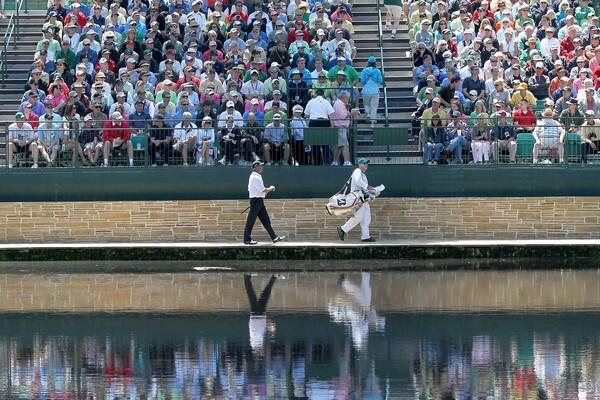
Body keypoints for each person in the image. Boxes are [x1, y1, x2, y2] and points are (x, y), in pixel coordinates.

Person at [243, 160, 286, 245]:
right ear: (256, 167)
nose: (262, 167)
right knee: (251, 221)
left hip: (259, 201)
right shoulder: (255, 177)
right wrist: (271, 188)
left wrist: (268, 190)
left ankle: (274, 237)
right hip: (256, 201)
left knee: (266, 220)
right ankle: (247, 239)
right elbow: (262, 190)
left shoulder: (257, 176)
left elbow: (261, 192)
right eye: (260, 166)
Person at [336, 158, 378, 242]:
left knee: (366, 218)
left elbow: (364, 188)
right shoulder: (357, 171)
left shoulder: (364, 175)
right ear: (360, 165)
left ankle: (365, 236)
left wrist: (372, 195)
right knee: (358, 217)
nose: (366, 166)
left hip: (364, 199)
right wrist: (369, 187)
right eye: (364, 164)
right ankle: (342, 229)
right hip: (358, 198)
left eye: (366, 164)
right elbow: (358, 181)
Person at [244, 274, 278, 354]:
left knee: (263, 295)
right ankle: (247, 278)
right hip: (257, 315)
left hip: (258, 315)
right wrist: (270, 327)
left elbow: (261, 326)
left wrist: (271, 327)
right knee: (258, 295)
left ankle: (273, 277)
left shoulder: (256, 341)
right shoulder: (258, 339)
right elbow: (263, 326)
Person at [360, 56, 383, 127]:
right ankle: (372, 124)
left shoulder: (364, 71)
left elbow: (362, 81)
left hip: (366, 91)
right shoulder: (378, 71)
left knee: (366, 104)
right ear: (375, 63)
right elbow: (380, 81)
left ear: (368, 62)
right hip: (375, 91)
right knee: (374, 107)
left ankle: (367, 112)